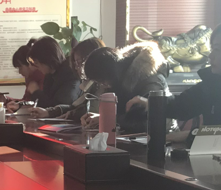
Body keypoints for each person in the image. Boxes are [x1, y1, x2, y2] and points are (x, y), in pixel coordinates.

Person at [126, 18, 221, 151]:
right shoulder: (219, 79)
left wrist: (191, 135)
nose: (210, 56)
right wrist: (151, 103)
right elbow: (183, 105)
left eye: (217, 49)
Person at [34, 42, 168, 133]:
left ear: (108, 74)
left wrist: (108, 119)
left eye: (102, 81)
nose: (103, 85)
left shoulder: (150, 79)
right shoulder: (117, 78)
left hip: (159, 145)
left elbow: (151, 122)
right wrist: (102, 117)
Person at [28, 35, 83, 109]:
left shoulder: (70, 74)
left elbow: (60, 106)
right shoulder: (50, 75)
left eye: (37, 62)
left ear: (46, 58)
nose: (36, 67)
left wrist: (36, 92)